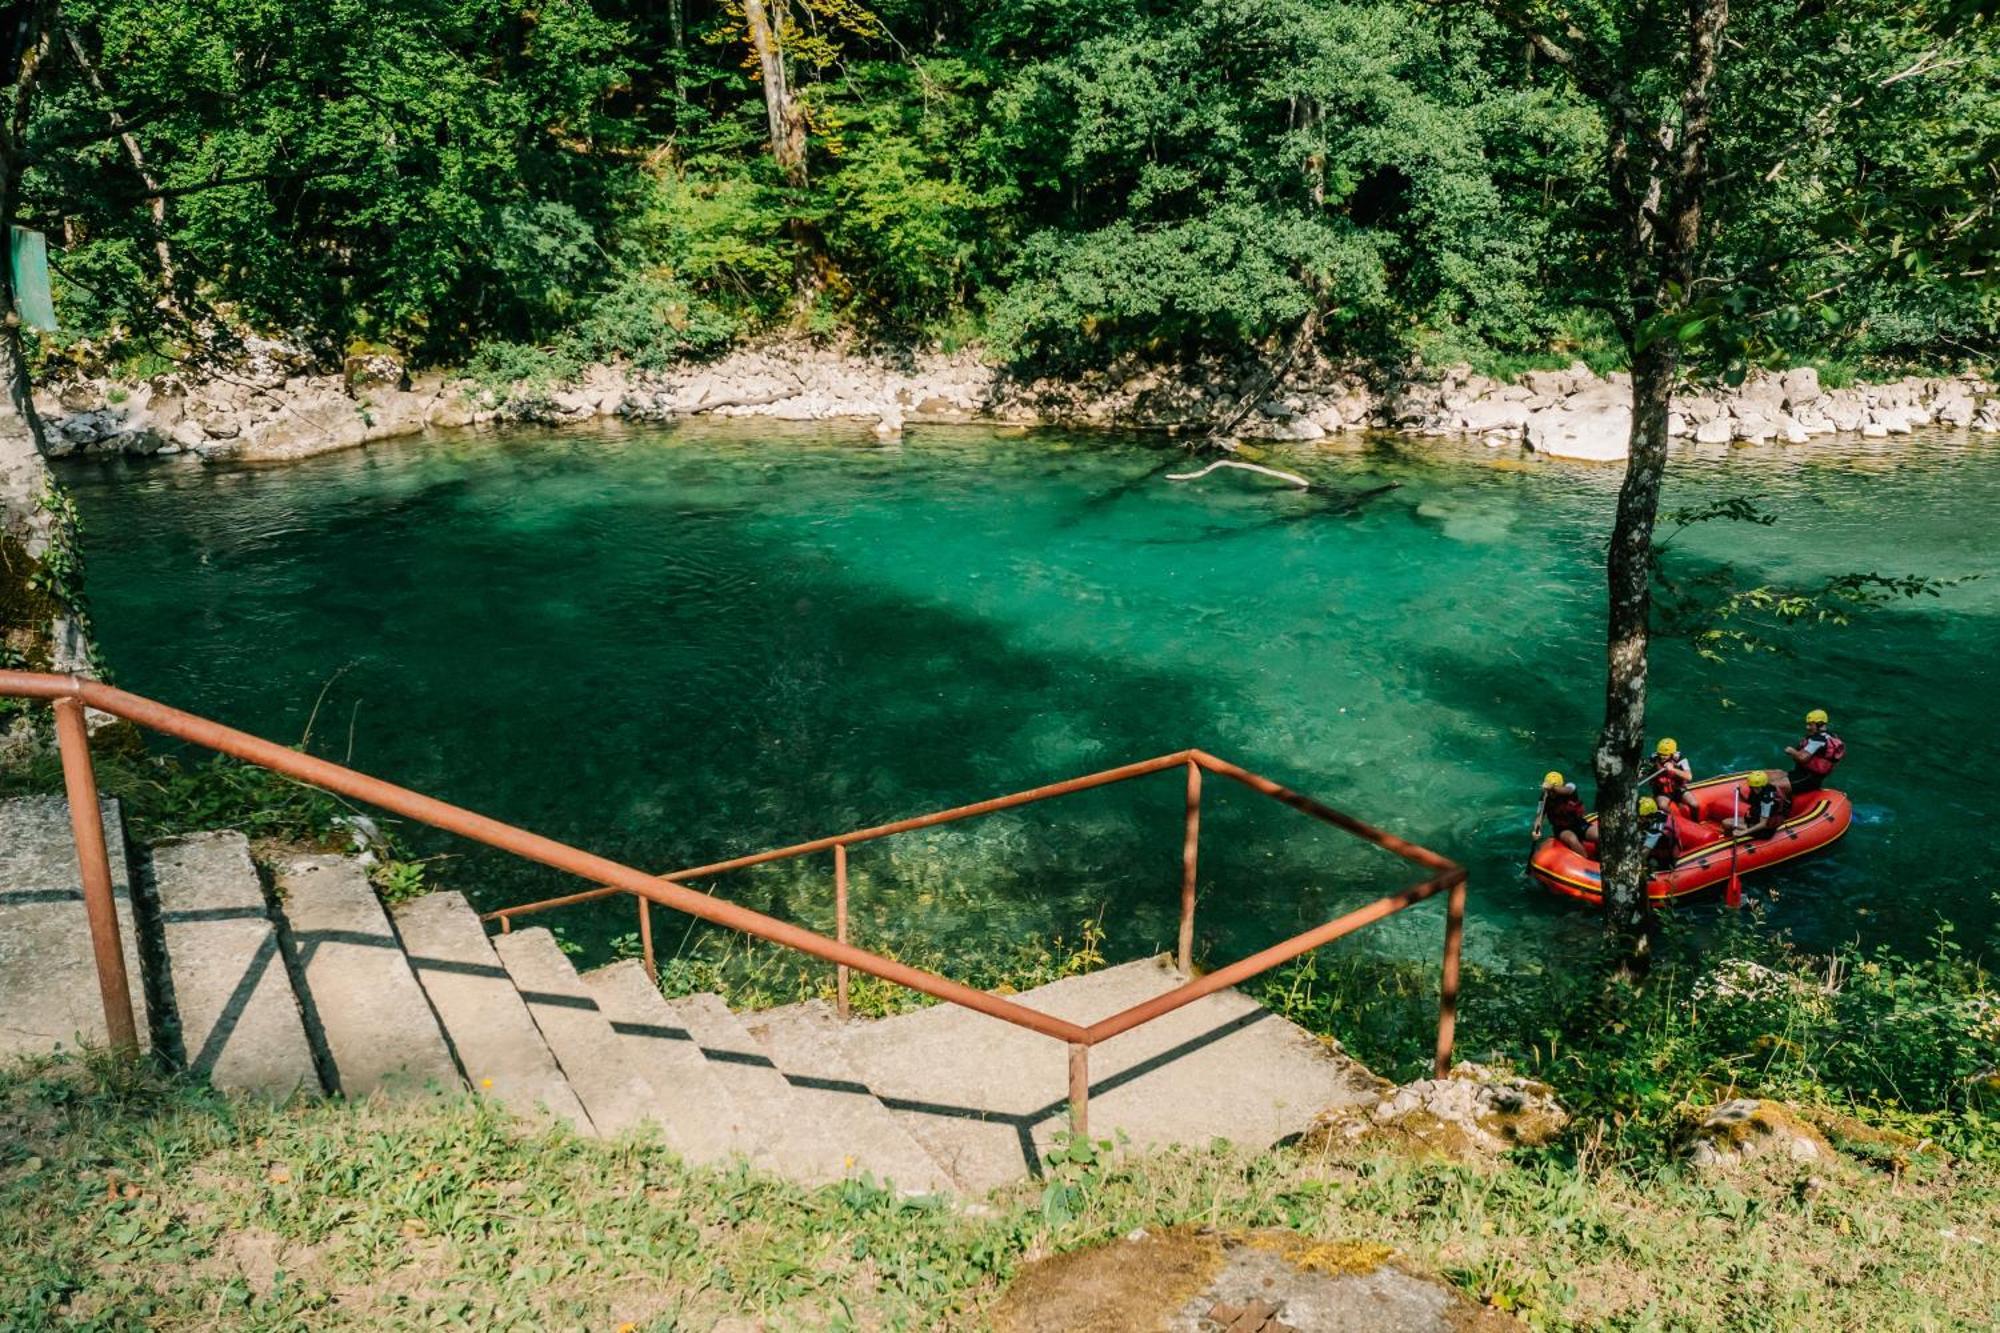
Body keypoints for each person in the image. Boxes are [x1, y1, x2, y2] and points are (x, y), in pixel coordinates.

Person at [1785, 707, 1845, 795]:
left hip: (1806, 780)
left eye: (1810, 724)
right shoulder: (1828, 736)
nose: (1807, 727)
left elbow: (1802, 758)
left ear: (1819, 724)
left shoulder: (1819, 740)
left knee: (1774, 786)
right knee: (1773, 774)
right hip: (1802, 775)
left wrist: (1791, 751)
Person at [1532, 771, 1590, 855]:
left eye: (1553, 791)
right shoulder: (1543, 799)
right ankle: (1587, 862)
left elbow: (1568, 790)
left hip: (1579, 824)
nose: (1551, 794)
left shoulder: (1570, 788)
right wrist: (1536, 830)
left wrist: (1552, 787)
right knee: (1572, 840)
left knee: (1597, 834)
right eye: (1549, 792)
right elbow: (1539, 817)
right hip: (1562, 829)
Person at [1727, 769, 1788, 839]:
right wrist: (1739, 794)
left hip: (1764, 830)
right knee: (1726, 822)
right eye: (1753, 787)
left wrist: (1743, 832)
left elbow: (1763, 824)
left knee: (1728, 824)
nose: (1755, 789)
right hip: (1754, 819)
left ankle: (1730, 841)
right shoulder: (1755, 790)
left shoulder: (1767, 800)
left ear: (1762, 785)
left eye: (1757, 788)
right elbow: (1750, 802)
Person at [1646, 737, 1697, 816]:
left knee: (1694, 804)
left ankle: (1695, 822)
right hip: (1661, 790)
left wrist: (1673, 769)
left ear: (1672, 754)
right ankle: (1675, 819)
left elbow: (1689, 777)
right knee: (1662, 806)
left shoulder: (1681, 760)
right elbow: (1646, 769)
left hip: (1678, 788)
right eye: (1660, 754)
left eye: (1665, 755)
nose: (1662, 757)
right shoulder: (1653, 759)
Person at [1638, 795, 1680, 870]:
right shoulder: (1659, 813)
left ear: (1647, 816)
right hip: (1665, 845)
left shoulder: (1656, 828)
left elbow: (1646, 850)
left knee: (1652, 863)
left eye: (1640, 816)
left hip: (1665, 857)